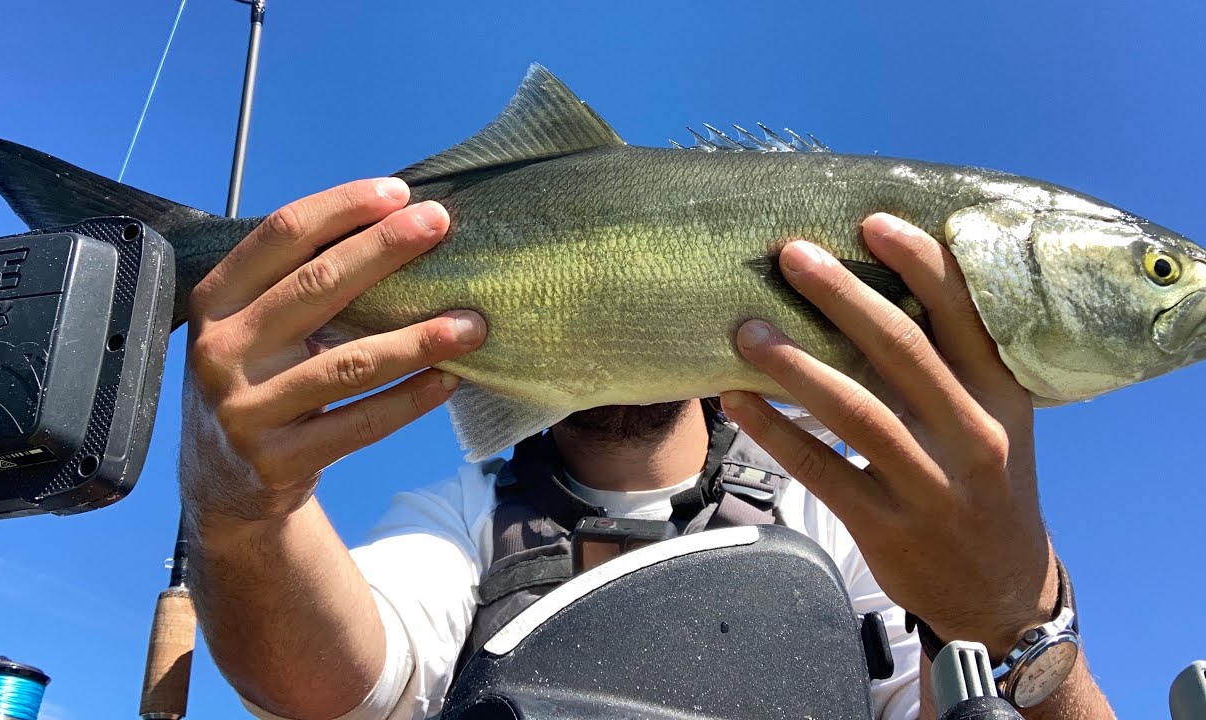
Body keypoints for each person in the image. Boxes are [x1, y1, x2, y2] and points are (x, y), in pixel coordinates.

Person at [177, 176, 1117, 720]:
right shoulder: (465, 514)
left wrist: (1021, 623)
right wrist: (240, 514)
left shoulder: (847, 517)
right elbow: (330, 684)